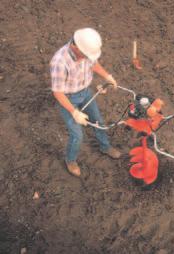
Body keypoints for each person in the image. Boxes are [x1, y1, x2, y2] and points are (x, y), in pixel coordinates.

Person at [50, 28, 121, 177]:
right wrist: (74, 112)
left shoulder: (86, 51)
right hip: (68, 98)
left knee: (98, 120)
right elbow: (57, 92)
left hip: (85, 92)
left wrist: (107, 76)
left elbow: (93, 64)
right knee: (77, 135)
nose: (86, 58)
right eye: (84, 55)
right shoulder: (60, 62)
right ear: (75, 47)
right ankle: (70, 160)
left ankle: (105, 146)